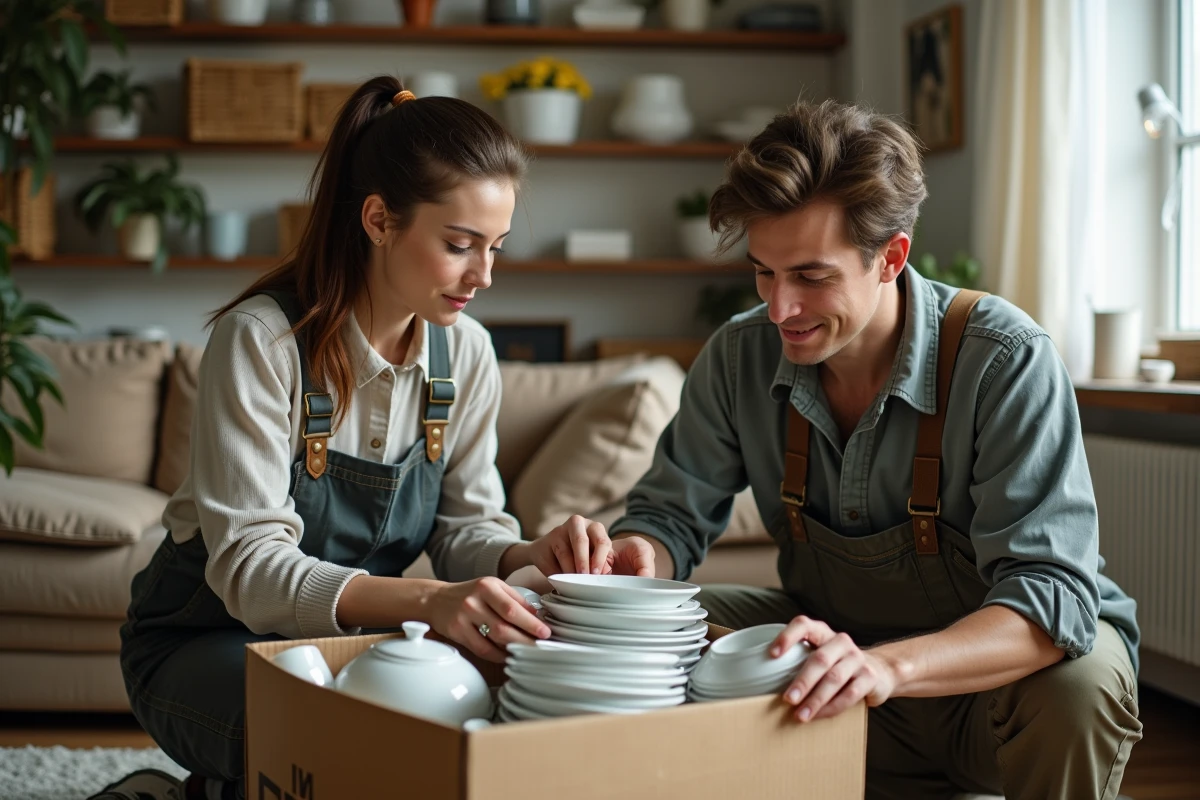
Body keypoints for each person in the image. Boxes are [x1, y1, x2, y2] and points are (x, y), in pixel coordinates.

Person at [91, 77, 655, 800]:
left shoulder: (467, 353)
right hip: (204, 644)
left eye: (496, 248)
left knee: (468, 725)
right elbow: (253, 571)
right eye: (459, 245)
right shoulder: (262, 342)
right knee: (351, 740)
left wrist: (526, 555)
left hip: (349, 649)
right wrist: (428, 601)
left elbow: (465, 529)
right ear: (380, 220)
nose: (483, 275)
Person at [609, 100, 1142, 800]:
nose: (779, 309)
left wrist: (889, 667)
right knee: (655, 639)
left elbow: (1050, 598)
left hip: (988, 698)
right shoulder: (738, 356)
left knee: (1084, 677)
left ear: (891, 257)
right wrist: (638, 559)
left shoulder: (1005, 359)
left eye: (811, 276)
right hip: (834, 670)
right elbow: (669, 519)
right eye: (764, 271)